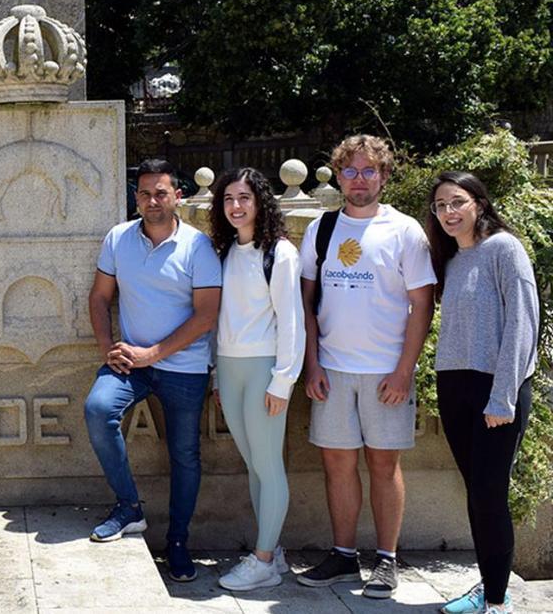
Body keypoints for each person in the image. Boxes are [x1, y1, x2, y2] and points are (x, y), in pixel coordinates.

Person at [297, 135, 435, 599]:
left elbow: (422, 304)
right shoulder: (321, 228)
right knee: (336, 464)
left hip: (385, 372)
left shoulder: (405, 230)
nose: (359, 180)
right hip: (332, 369)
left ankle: (387, 560)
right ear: (338, 176)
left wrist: (403, 370)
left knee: (383, 464)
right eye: (351, 171)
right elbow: (307, 302)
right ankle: (342, 555)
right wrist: (311, 363)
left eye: (369, 171)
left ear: (384, 175)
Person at [83, 158, 221, 582]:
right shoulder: (119, 238)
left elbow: (206, 316)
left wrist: (154, 354)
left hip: (184, 367)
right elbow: (99, 297)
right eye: (144, 193)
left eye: (160, 192)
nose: (152, 201)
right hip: (131, 364)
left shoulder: (199, 246)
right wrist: (109, 349)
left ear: (177, 196)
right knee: (97, 409)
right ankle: (129, 507)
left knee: (184, 455)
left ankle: (178, 542)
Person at [427, 172, 537, 614]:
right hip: (455, 385)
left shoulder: (504, 249)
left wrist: (503, 396)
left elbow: (522, 325)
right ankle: (492, 588)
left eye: (457, 202)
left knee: (490, 492)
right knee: (476, 493)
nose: (449, 212)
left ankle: (496, 602)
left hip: (497, 388)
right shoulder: (451, 260)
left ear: (479, 203)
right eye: (440, 206)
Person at [208, 167, 304, 591]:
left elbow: (292, 322)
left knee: (268, 466)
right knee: (253, 466)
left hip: (265, 367)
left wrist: (282, 382)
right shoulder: (224, 250)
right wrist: (215, 373)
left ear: (260, 202)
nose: (236, 206)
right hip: (229, 368)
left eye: (244, 198)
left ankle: (263, 560)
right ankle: (273, 551)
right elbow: (219, 319)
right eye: (228, 199)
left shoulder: (279, 253)